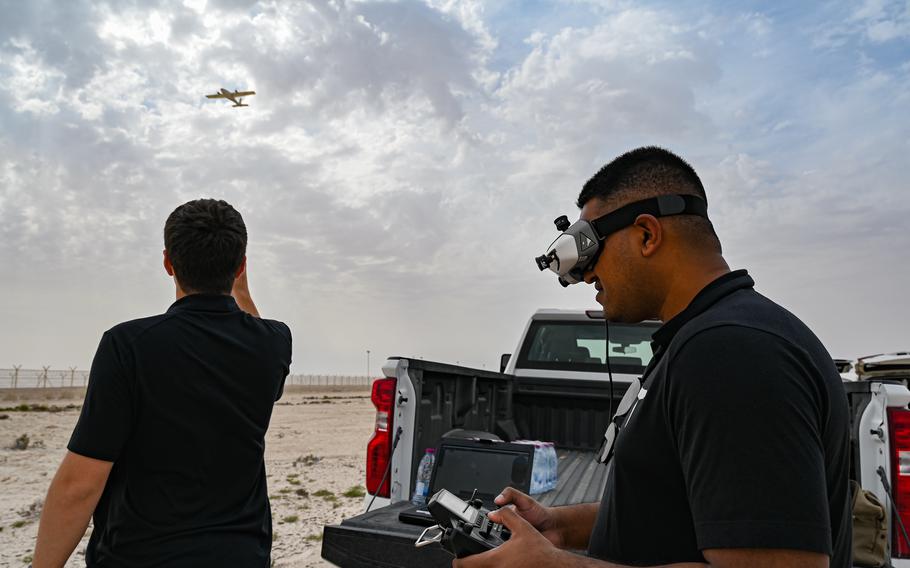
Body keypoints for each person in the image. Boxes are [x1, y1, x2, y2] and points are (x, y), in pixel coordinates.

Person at [456, 147, 850, 568]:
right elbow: (681, 511)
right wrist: (559, 527)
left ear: (647, 235)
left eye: (590, 249)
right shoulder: (700, 340)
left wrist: (552, 566)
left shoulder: (733, 352)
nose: (586, 274)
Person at [32, 199, 292, 567]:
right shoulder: (273, 343)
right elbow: (253, 326)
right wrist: (240, 282)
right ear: (241, 266)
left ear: (168, 262)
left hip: (138, 555)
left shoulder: (128, 345)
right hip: (240, 555)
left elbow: (80, 484)